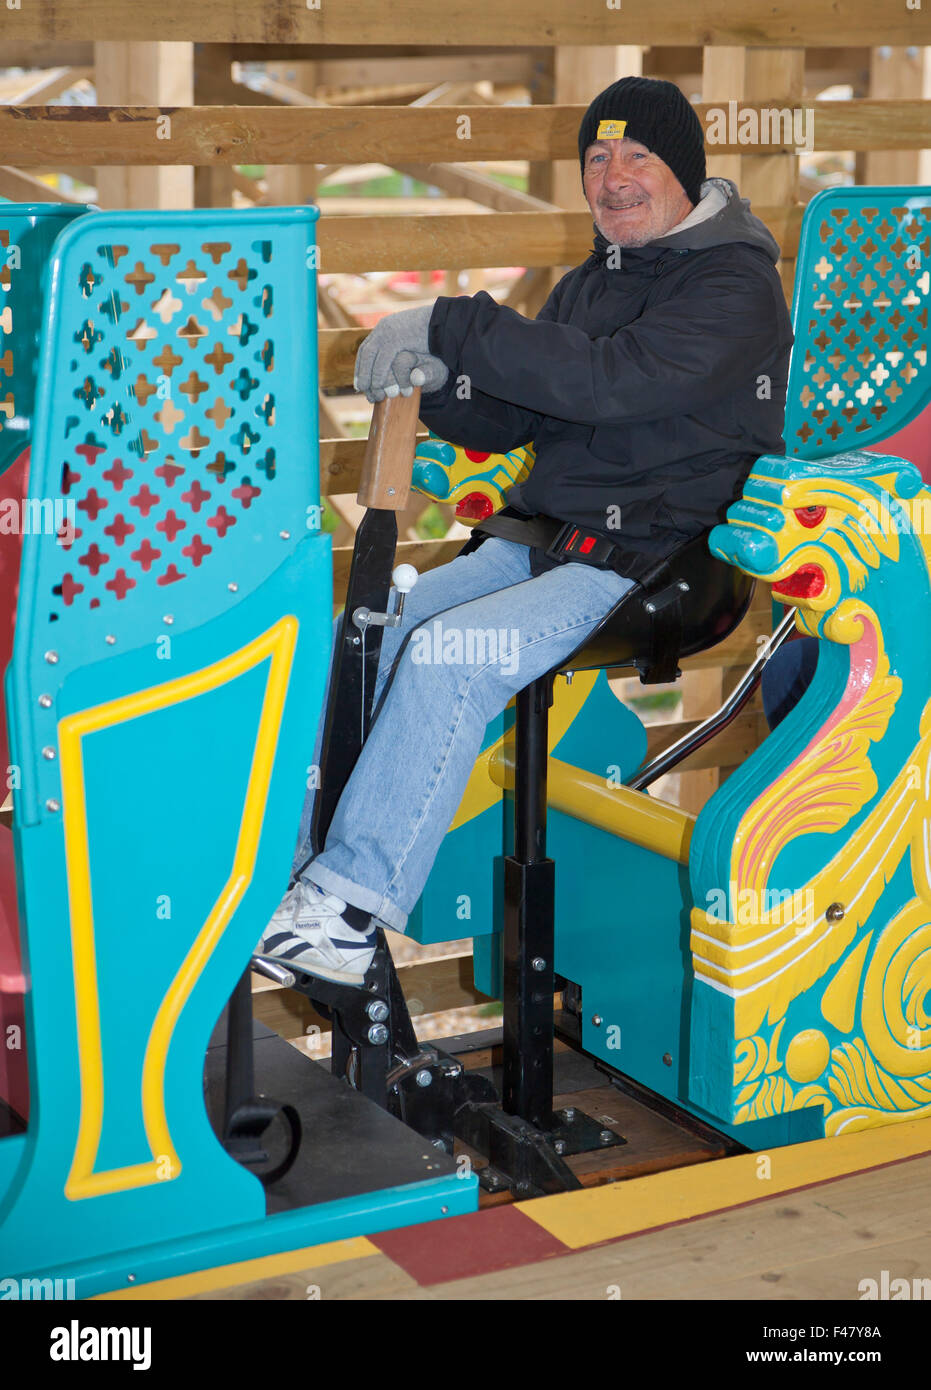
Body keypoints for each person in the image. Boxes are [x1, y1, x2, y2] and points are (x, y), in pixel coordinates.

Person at [256, 75, 795, 984]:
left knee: (451, 657)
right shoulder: (598, 277)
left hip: (654, 558)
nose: (612, 176)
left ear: (683, 173)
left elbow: (609, 384)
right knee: (376, 635)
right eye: (595, 157)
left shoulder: (733, 285)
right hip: (548, 536)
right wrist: (438, 382)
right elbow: (523, 417)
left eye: (636, 156)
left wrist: (455, 322)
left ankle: (349, 912)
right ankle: (298, 869)